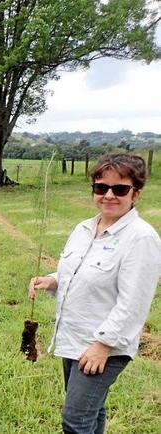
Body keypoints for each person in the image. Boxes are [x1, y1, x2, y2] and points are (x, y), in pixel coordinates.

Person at [28, 153, 161, 434]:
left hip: (103, 345)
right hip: (73, 337)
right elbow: (76, 271)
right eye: (101, 187)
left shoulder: (141, 238)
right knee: (93, 411)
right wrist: (51, 281)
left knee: (75, 419)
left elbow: (134, 303)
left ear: (135, 194)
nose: (109, 195)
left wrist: (103, 346)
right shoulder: (84, 228)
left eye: (120, 189)